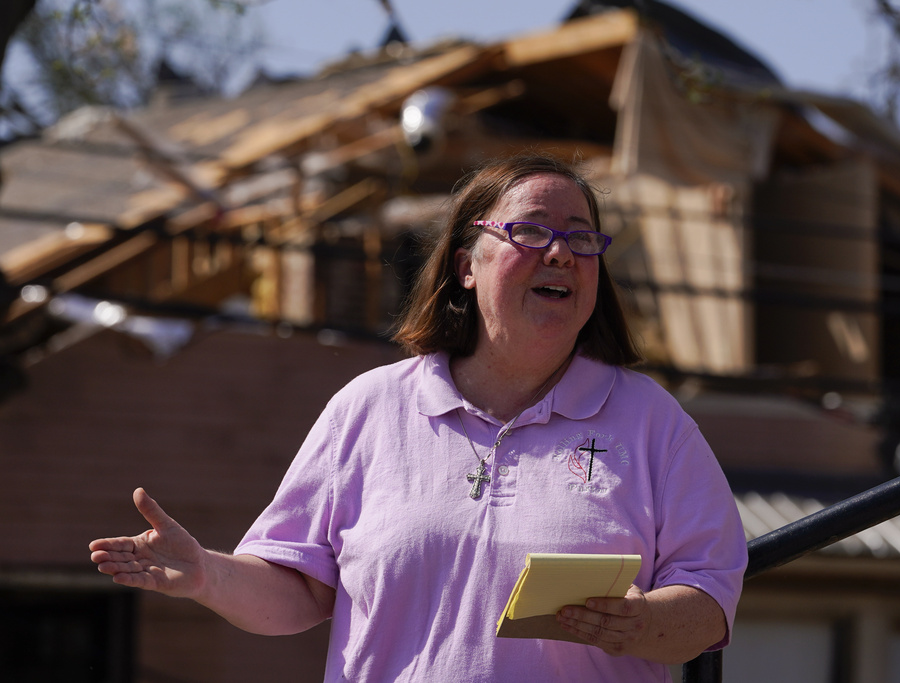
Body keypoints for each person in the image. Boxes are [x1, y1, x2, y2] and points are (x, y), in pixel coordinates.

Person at [90, 153, 748, 681]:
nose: (560, 253)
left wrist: (641, 622)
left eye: (581, 237)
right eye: (531, 230)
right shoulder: (371, 407)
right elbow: (296, 589)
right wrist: (207, 573)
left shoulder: (652, 421)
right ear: (467, 264)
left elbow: (710, 601)